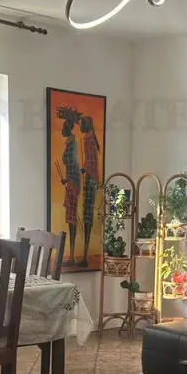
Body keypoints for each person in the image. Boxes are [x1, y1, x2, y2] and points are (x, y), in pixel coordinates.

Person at [57, 106, 81, 265]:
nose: (62, 130)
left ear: (67, 127)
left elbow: (72, 164)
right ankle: (71, 255)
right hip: (72, 182)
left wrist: (68, 181)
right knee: (71, 219)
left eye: (63, 127)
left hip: (73, 184)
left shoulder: (72, 144)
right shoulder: (70, 143)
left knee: (72, 220)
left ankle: (72, 255)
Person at [79, 115, 101, 269]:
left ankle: (85, 256)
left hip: (90, 180)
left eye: (82, 124)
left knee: (87, 217)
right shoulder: (89, 138)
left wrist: (86, 169)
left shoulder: (89, 140)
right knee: (87, 216)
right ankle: (85, 255)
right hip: (90, 178)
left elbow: (92, 163)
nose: (80, 126)